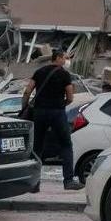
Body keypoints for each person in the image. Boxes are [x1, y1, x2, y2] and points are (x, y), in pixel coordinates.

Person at [22, 50, 82, 191]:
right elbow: (71, 97)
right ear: (58, 58)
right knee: (66, 145)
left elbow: (27, 91)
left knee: (37, 147)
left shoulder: (39, 72)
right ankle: (68, 181)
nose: (66, 61)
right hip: (57, 113)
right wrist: (62, 104)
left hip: (39, 112)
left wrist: (24, 106)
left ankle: (34, 184)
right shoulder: (64, 74)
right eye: (65, 58)